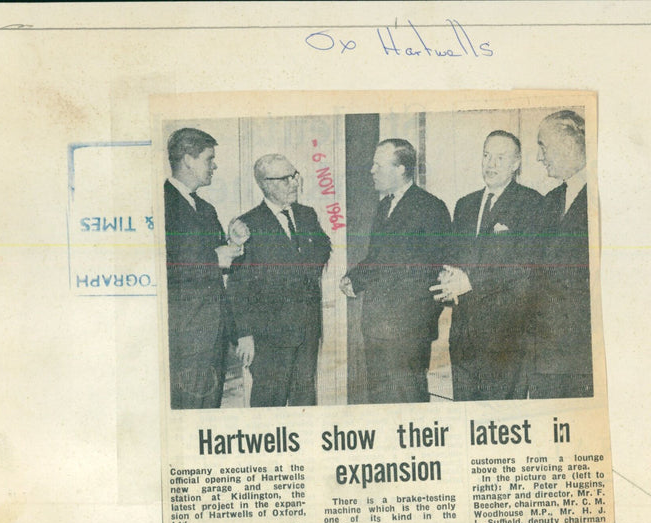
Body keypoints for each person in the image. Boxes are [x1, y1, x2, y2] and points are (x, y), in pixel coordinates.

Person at [430, 131, 543, 401]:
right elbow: (455, 257)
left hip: (506, 339)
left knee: (501, 423)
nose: (490, 164)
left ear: (516, 164)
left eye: (500, 158)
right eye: (486, 156)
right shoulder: (465, 205)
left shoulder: (532, 204)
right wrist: (448, 279)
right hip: (463, 338)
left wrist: (471, 282)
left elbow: (526, 267)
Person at [340, 138, 451, 404]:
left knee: (407, 400)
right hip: (376, 326)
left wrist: (417, 321)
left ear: (401, 168)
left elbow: (439, 268)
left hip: (408, 331)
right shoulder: (384, 207)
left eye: (379, 165)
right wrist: (353, 278)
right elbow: (377, 258)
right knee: (380, 401)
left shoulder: (430, 207)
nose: (372, 171)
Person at [228, 154, 332, 407]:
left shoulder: (307, 215)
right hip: (269, 337)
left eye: (294, 175)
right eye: (285, 179)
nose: (294, 183)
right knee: (269, 401)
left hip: (307, 330)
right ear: (265, 184)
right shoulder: (247, 225)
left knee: (305, 398)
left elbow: (323, 248)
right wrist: (244, 335)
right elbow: (237, 287)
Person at [164, 127, 246, 409]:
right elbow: (164, 269)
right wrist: (215, 259)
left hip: (214, 334)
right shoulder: (162, 204)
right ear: (188, 159)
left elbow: (209, 258)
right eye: (209, 159)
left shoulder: (207, 209)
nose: (214, 165)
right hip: (185, 337)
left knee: (208, 410)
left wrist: (232, 243)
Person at [530, 110, 594, 398]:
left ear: (568, 145)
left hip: (584, 357)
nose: (539, 157)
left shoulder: (603, 196)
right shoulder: (550, 201)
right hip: (546, 354)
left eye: (543, 147)